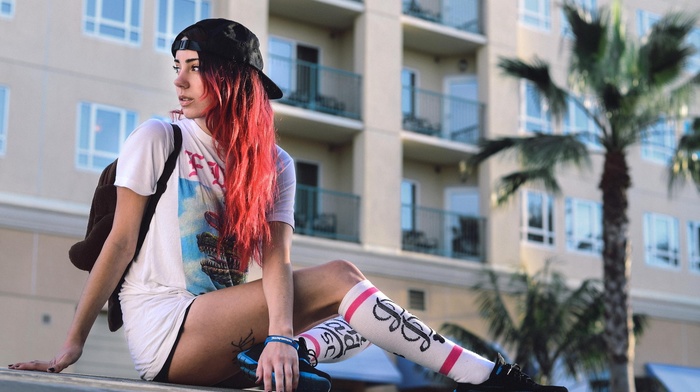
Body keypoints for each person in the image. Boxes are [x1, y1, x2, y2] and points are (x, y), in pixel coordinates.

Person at [9, 19, 568, 392]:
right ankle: (491, 381)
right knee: (343, 279)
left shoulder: (273, 163)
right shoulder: (160, 137)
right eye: (176, 66)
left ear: (230, 77)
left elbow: (276, 260)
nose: (179, 81)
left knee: (363, 317)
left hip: (227, 332)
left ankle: (290, 355)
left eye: (194, 66)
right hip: (167, 327)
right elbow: (121, 242)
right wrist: (72, 343)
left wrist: (279, 337)